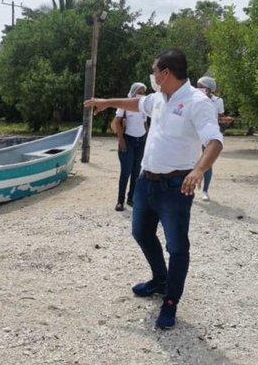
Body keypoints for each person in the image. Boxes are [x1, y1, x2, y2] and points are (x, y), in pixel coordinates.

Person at [84, 49, 223, 329]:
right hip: (147, 182)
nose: (152, 75)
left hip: (176, 186)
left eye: (154, 70)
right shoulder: (159, 98)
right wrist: (106, 102)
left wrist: (198, 170)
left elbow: (215, 141)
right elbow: (137, 103)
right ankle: (160, 279)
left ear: (166, 73)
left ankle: (170, 302)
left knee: (177, 247)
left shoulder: (198, 102)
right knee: (141, 232)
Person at [112, 82, 148, 212]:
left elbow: (144, 123)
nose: (142, 94)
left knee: (136, 172)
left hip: (141, 141)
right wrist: (121, 140)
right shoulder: (125, 104)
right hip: (128, 140)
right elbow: (117, 121)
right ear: (133, 92)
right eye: (140, 91)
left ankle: (131, 198)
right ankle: (120, 201)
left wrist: (148, 137)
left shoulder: (143, 106)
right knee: (126, 172)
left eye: (143, 92)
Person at [196, 76, 224, 202]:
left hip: (209, 135)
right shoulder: (195, 99)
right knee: (190, 160)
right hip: (195, 133)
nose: (199, 88)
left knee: (207, 162)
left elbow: (220, 117)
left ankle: (205, 190)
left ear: (209, 88)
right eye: (198, 86)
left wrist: (224, 121)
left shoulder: (218, 101)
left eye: (201, 86)